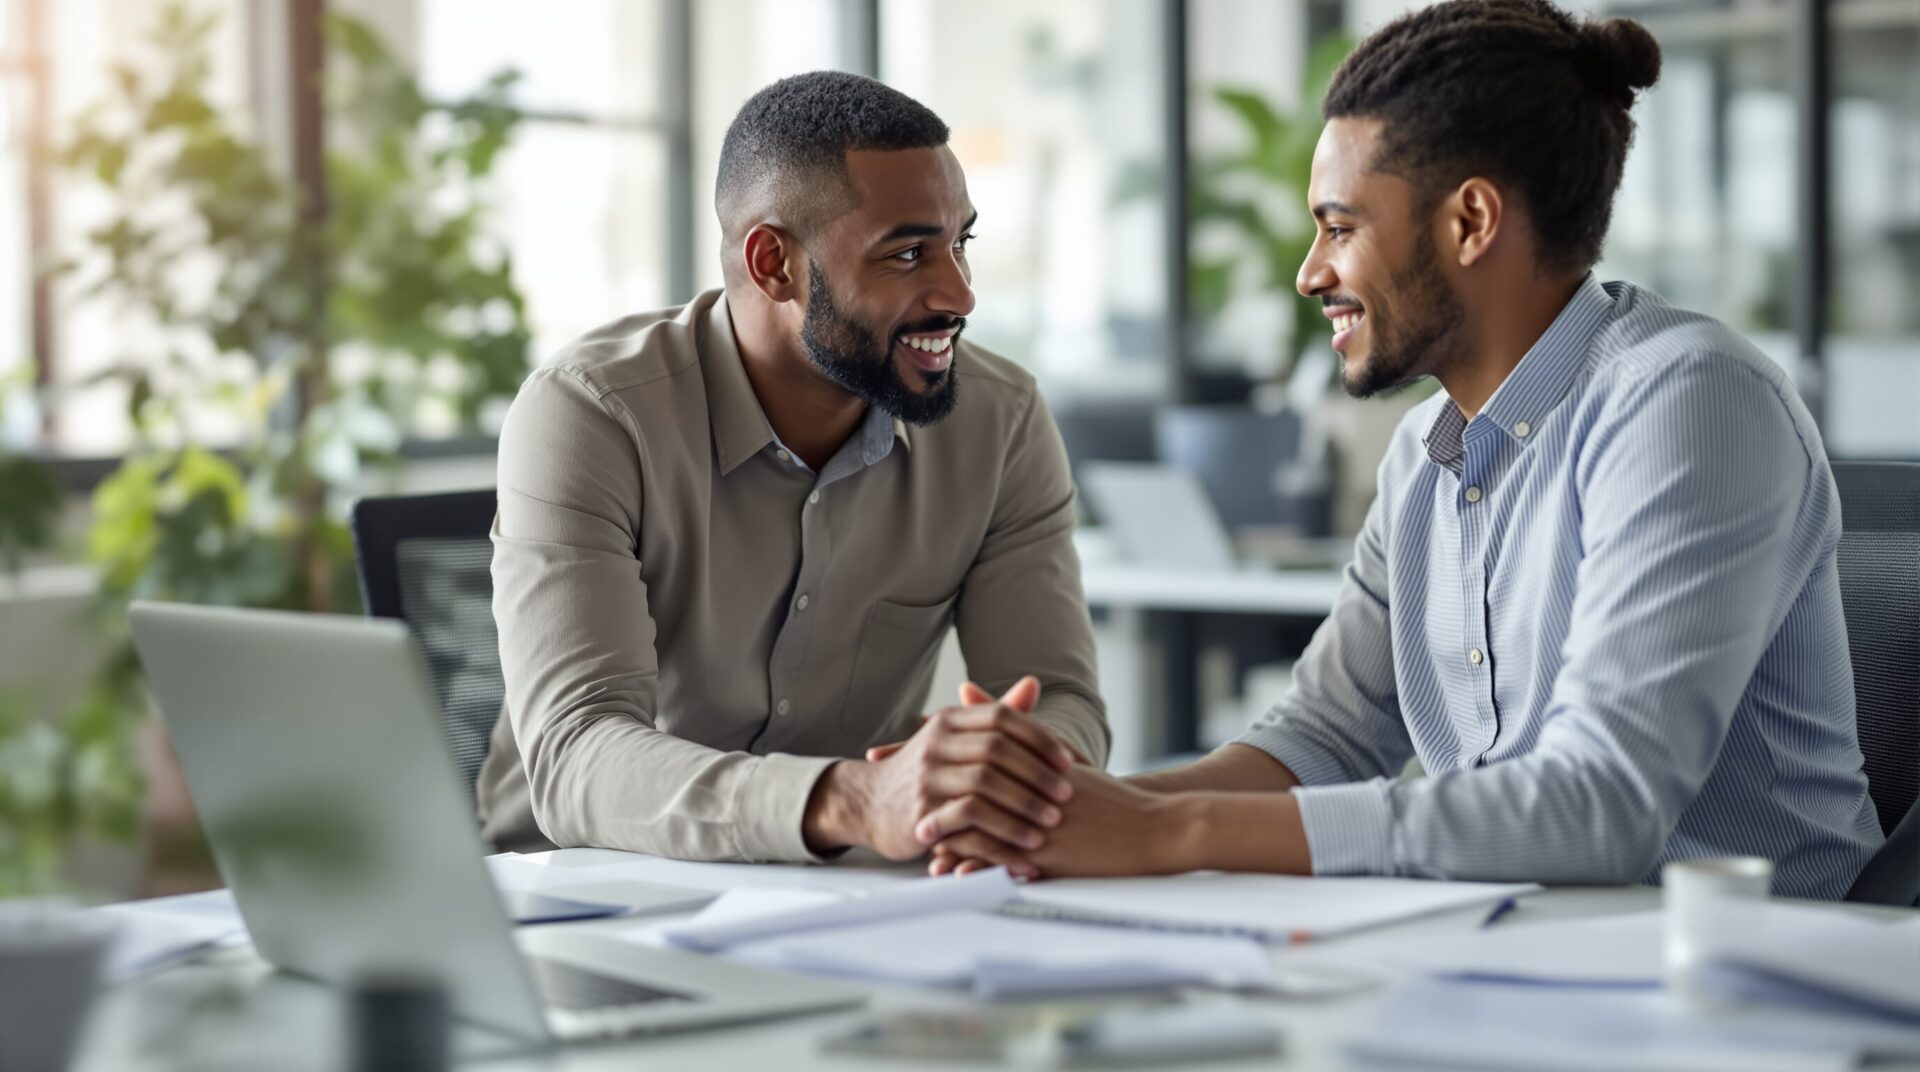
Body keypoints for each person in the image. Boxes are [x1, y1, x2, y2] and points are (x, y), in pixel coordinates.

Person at [926, 0, 1884, 899]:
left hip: (1758, 987)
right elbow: (1325, 737)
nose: (1310, 274)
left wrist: (1166, 834)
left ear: (1471, 221)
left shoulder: (1687, 400)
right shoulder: (1427, 451)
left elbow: (1602, 806)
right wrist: (1064, 810)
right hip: (1527, 962)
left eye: (1339, 228)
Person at [476, 71, 1108, 868]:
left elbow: (1056, 695)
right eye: (909, 253)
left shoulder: (1002, 420)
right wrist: (851, 800)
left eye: (961, 245)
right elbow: (577, 752)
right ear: (773, 262)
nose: (960, 293)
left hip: (841, 897)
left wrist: (1017, 780)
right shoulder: (593, 414)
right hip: (575, 898)